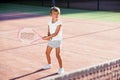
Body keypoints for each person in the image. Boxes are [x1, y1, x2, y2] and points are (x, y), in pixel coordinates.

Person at [42, 6, 64, 74]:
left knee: (57, 55)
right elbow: (49, 31)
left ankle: (61, 68)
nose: (56, 15)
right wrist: (48, 36)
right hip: (51, 40)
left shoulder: (59, 23)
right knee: (47, 53)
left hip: (57, 40)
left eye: (58, 13)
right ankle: (49, 64)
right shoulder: (49, 22)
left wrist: (48, 37)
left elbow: (56, 33)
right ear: (51, 14)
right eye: (55, 13)